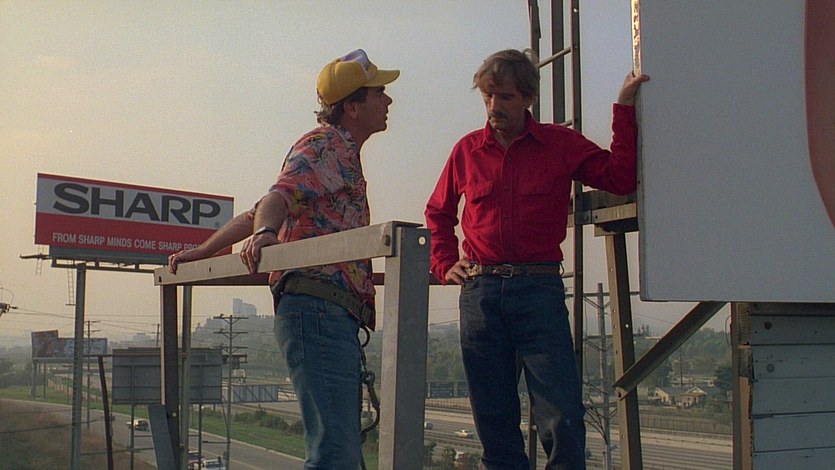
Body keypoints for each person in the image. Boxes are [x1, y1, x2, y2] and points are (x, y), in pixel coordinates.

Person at [168, 48, 399, 469]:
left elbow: (263, 206)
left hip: (326, 314)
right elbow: (276, 200)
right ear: (352, 106)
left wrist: (205, 250)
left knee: (339, 452)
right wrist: (264, 234)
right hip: (319, 311)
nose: (388, 100)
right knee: (335, 455)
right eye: (378, 92)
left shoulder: (339, 153)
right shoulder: (326, 145)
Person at [424, 49, 649, 470]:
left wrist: (623, 107)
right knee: (494, 419)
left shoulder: (559, 144)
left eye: (505, 97)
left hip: (538, 290)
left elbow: (618, 178)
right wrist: (444, 262)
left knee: (561, 414)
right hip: (481, 291)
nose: (494, 106)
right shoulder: (467, 151)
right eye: (488, 96)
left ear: (528, 98)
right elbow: (438, 211)